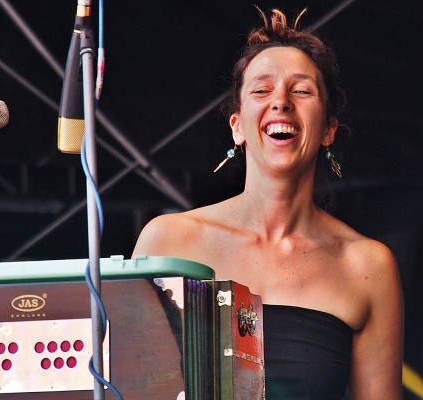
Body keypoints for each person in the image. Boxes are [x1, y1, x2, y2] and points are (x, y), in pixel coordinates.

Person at [132, 8, 403, 400]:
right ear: (237, 125)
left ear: (328, 129)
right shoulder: (168, 241)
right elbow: (128, 386)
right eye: (261, 90)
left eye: (302, 90)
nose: (281, 101)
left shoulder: (367, 265)